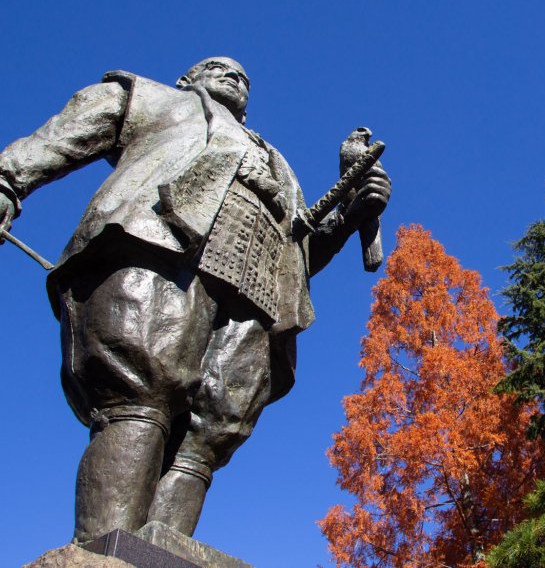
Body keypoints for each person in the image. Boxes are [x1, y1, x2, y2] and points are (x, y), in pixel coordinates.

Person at [0, 57, 391, 541]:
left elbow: (298, 254)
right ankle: (103, 550)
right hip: (157, 249)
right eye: (218, 68)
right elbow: (65, 135)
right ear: (188, 79)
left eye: (245, 77)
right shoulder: (152, 99)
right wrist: (7, 181)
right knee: (140, 390)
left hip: (256, 294)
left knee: (210, 434)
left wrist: (351, 217)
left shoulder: (277, 162)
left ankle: (162, 551)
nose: (236, 76)